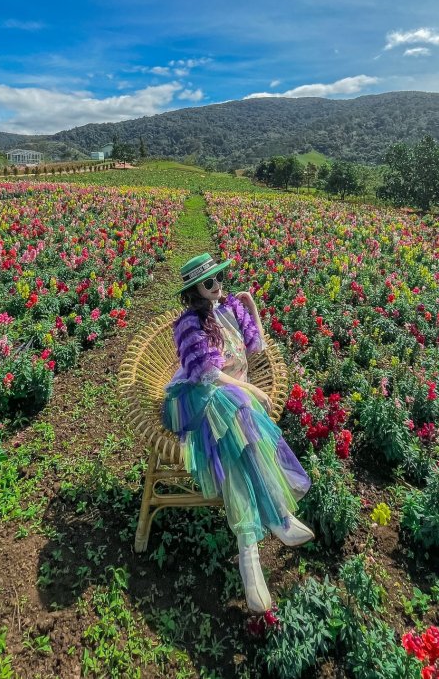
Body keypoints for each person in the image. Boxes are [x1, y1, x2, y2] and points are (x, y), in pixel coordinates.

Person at [161, 252, 314, 613]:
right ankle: (276, 519)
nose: (218, 285)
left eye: (219, 278)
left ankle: (252, 556)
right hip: (196, 399)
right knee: (239, 408)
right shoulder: (188, 324)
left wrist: (253, 307)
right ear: (194, 291)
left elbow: (257, 346)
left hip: (233, 401)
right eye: (209, 282)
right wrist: (250, 390)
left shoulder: (230, 309)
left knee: (239, 437)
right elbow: (207, 376)